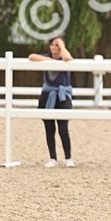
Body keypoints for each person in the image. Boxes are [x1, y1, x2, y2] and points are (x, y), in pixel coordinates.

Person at [29, 36, 74, 168]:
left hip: (62, 95)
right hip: (47, 94)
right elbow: (32, 56)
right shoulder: (47, 57)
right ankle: (52, 157)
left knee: (63, 128)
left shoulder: (64, 57)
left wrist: (63, 46)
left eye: (57, 45)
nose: (54, 47)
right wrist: (49, 60)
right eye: (53, 45)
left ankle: (68, 157)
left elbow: (68, 59)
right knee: (49, 128)